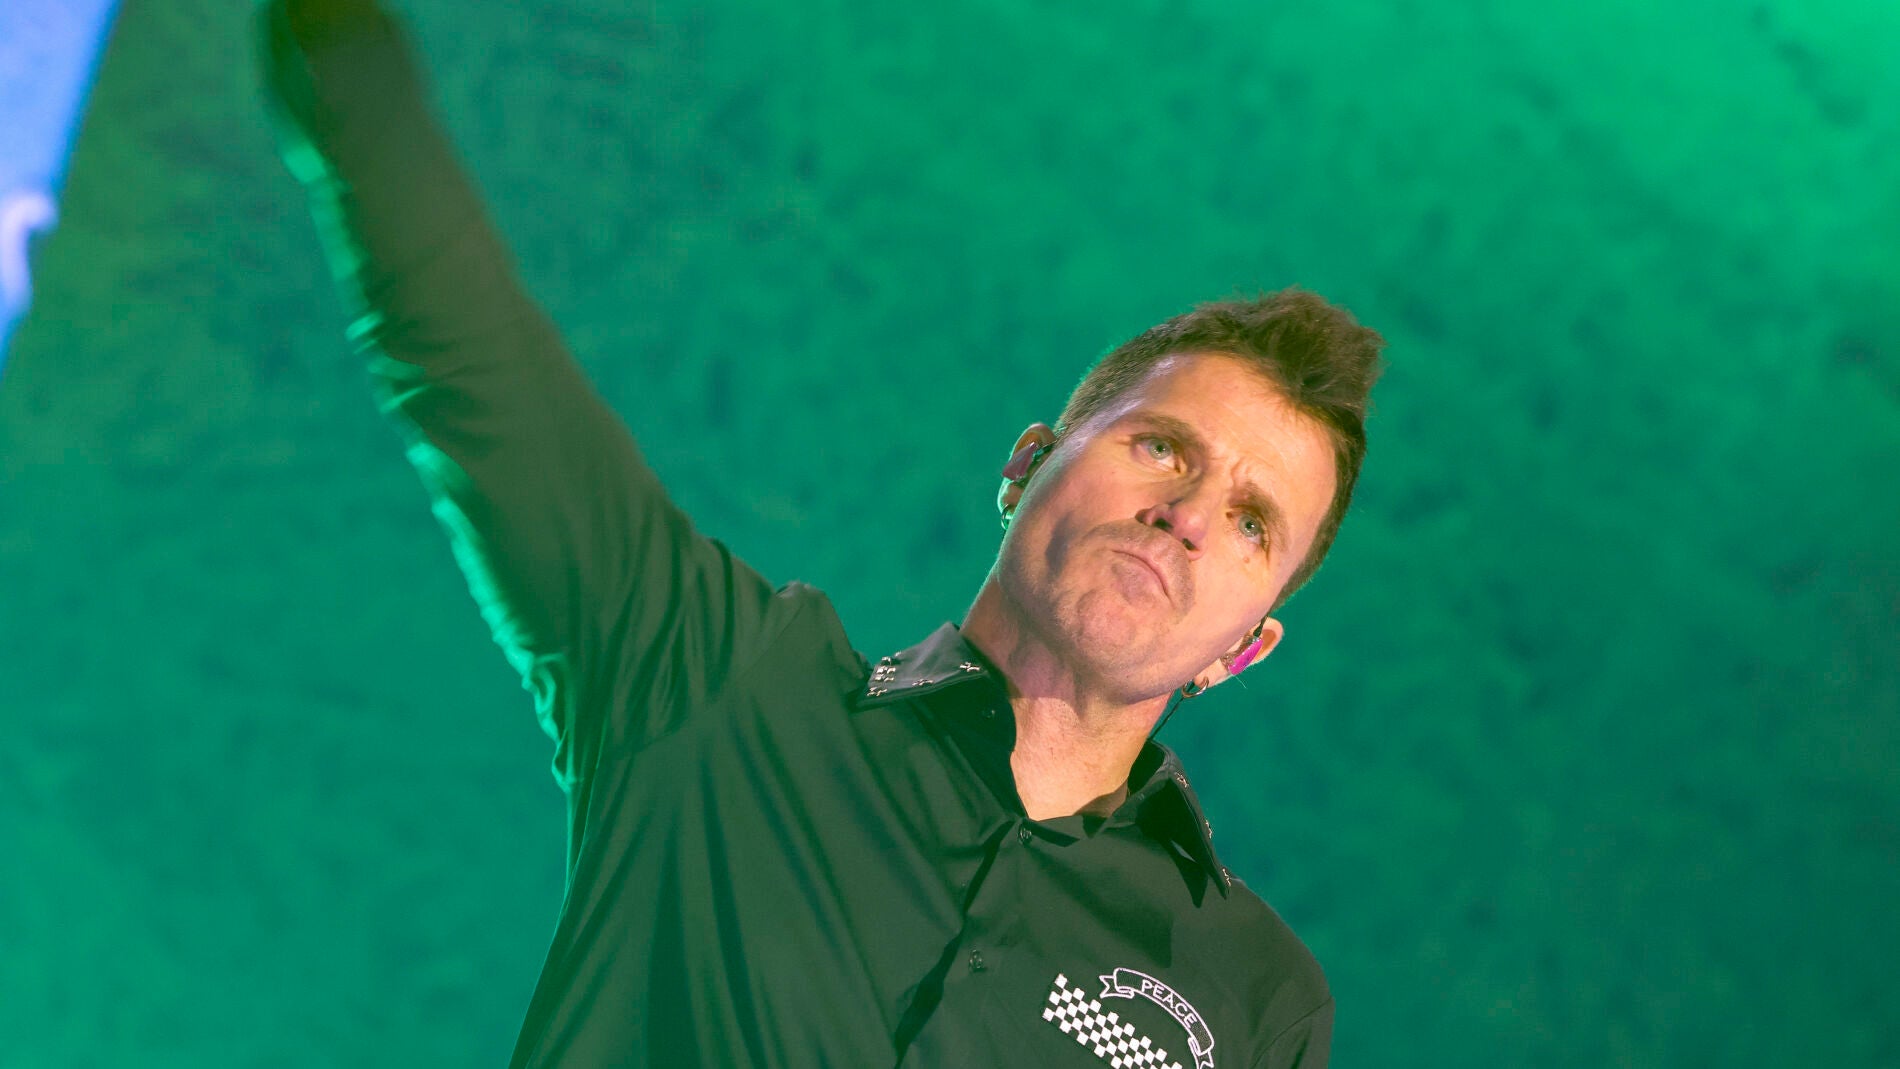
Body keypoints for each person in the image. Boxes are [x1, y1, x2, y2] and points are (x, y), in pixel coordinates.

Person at [258, 1, 1386, 1065]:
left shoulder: (1256, 997)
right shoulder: (718, 684)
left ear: (1243, 650)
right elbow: (473, 369)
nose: (1186, 517)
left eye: (1250, 521)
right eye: (1163, 448)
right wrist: (340, 46)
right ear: (1026, 464)